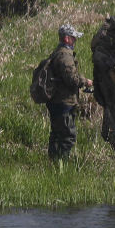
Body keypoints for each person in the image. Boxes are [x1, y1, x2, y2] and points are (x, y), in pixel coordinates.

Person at [46, 24, 93, 162]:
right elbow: (72, 79)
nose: (75, 40)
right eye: (73, 38)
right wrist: (85, 81)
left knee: (56, 133)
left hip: (56, 100)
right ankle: (61, 165)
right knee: (67, 136)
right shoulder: (65, 55)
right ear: (66, 38)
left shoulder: (57, 52)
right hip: (63, 101)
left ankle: (53, 162)